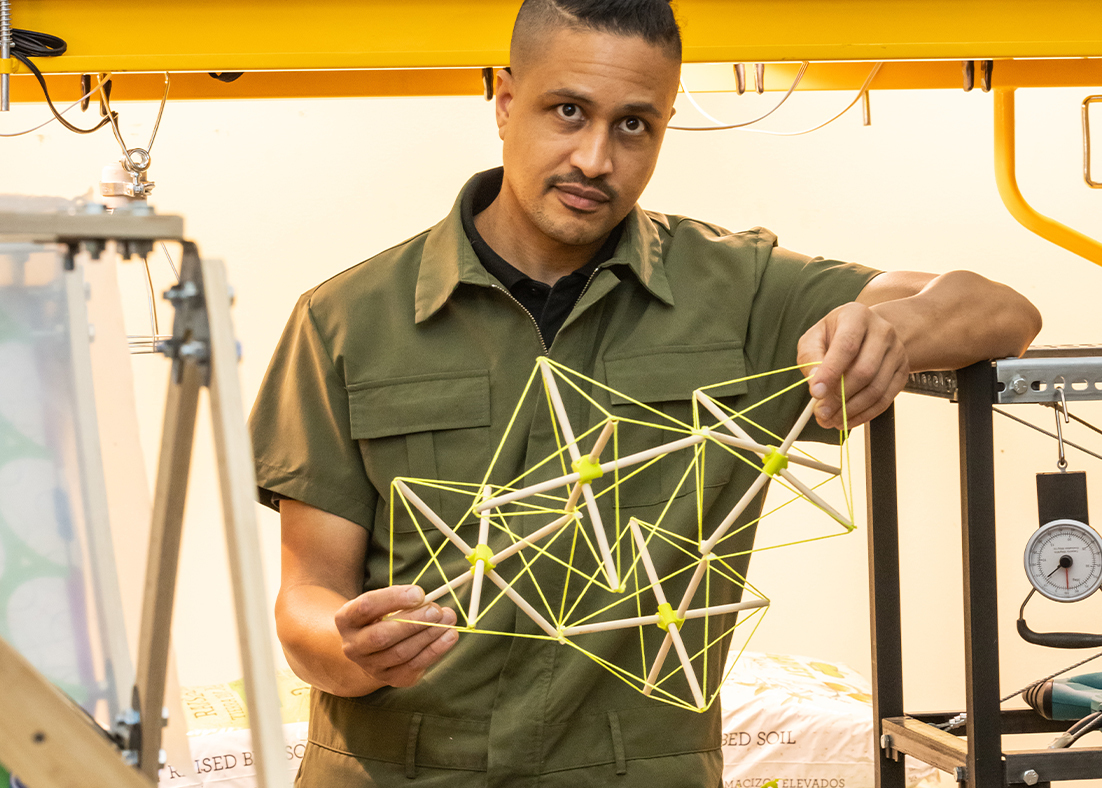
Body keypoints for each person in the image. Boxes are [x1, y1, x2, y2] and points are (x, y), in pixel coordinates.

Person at [249, 1, 1041, 786]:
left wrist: (898, 328)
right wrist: (352, 654)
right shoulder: (347, 320)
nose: (596, 159)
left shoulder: (738, 292)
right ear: (502, 98)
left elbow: (1002, 310)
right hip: (397, 770)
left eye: (635, 126)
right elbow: (308, 598)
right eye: (568, 111)